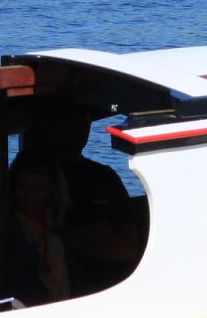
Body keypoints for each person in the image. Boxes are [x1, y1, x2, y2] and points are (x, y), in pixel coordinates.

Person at [26, 112, 142, 293]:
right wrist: (99, 233)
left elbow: (127, 249)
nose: (79, 129)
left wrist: (68, 245)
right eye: (70, 122)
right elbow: (38, 245)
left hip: (108, 289)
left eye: (85, 122)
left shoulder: (105, 177)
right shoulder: (37, 177)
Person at [7, 150, 80, 307]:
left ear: (52, 190)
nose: (30, 197)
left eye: (39, 189)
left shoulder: (58, 228)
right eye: (23, 188)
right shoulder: (8, 229)